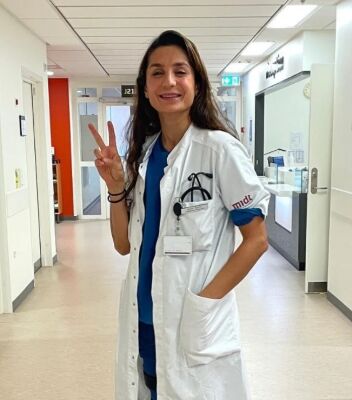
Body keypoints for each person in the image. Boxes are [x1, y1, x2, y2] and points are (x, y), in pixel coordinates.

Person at [89, 30, 270, 400]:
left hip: (194, 322)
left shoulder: (219, 150)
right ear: (144, 88)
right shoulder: (145, 155)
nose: (168, 81)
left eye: (180, 71)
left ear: (197, 83)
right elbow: (125, 245)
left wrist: (205, 302)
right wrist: (114, 187)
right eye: (157, 72)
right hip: (145, 319)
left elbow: (257, 240)